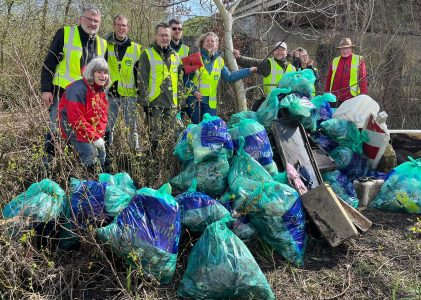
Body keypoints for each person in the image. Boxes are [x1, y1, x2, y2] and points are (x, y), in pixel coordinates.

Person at [40, 5, 106, 161]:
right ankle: (48, 167)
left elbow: (102, 73)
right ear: (81, 19)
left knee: (83, 133)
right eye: (90, 19)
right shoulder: (65, 33)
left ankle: (77, 168)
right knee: (55, 131)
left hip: (87, 98)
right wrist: (46, 89)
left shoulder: (102, 44)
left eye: (96, 21)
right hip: (62, 94)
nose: (93, 23)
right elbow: (49, 62)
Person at [185, 32, 257, 124]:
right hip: (195, 101)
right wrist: (194, 91)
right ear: (202, 43)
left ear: (216, 45)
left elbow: (229, 77)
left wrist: (248, 70)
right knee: (197, 129)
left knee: (210, 129)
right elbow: (185, 79)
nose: (210, 43)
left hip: (210, 104)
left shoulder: (219, 60)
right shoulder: (194, 58)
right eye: (207, 41)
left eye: (212, 41)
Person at [58, 57, 110, 172]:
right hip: (73, 128)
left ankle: (96, 182)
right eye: (99, 72)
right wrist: (95, 137)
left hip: (89, 130)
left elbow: (103, 116)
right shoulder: (77, 89)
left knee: (101, 155)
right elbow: (76, 119)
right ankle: (84, 182)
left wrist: (98, 135)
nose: (103, 75)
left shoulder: (101, 90)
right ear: (92, 73)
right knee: (90, 156)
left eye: (105, 72)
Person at [137, 22, 183, 152]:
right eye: (161, 35)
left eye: (167, 35)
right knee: (154, 138)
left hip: (172, 104)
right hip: (154, 103)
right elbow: (142, 80)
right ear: (156, 36)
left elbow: (178, 80)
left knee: (173, 137)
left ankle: (169, 164)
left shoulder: (175, 55)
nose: (164, 38)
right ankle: (154, 166)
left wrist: (180, 101)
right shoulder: (147, 54)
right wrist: (145, 104)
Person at [105, 15, 141, 150]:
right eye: (119, 25)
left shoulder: (136, 48)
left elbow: (139, 72)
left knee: (132, 127)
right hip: (110, 93)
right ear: (114, 26)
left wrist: (140, 93)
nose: (121, 28)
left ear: (128, 28)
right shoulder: (105, 45)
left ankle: (134, 152)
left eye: (124, 25)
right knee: (108, 126)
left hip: (129, 94)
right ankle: (107, 153)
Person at [325, 37, 368, 106]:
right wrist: (326, 93)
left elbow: (363, 79)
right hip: (334, 97)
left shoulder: (359, 60)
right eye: (342, 48)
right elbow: (329, 78)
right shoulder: (335, 60)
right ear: (340, 49)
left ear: (351, 48)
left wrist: (363, 96)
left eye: (347, 48)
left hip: (351, 98)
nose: (344, 51)